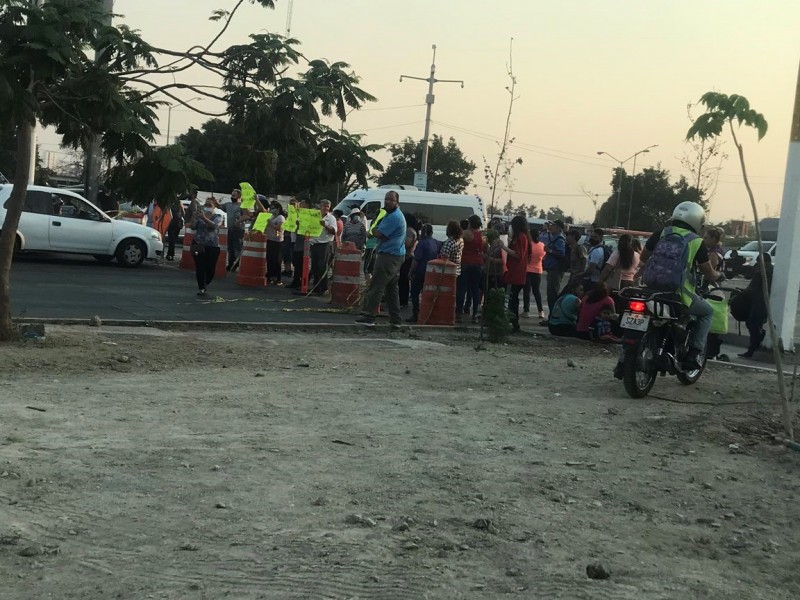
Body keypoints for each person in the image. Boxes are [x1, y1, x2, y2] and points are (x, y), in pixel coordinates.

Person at [632, 201, 721, 371]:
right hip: (678, 295)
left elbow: (644, 258)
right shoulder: (696, 242)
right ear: (697, 221)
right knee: (707, 312)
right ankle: (694, 354)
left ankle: (624, 358)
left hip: (650, 289)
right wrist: (718, 275)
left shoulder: (660, 234)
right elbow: (708, 272)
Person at [356, 190, 407, 329]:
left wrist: (373, 230)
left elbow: (379, 233)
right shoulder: (393, 215)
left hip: (389, 256)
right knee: (391, 289)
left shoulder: (394, 217)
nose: (388, 202)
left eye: (391, 199)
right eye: (386, 199)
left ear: (397, 202)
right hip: (396, 255)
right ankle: (395, 320)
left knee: (376, 286)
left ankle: (369, 316)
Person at [498, 215, 531, 332]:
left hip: (515, 273)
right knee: (512, 298)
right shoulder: (522, 237)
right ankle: (512, 321)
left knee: (512, 298)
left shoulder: (521, 237)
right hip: (515, 272)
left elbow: (518, 254)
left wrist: (504, 247)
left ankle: (513, 322)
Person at [739, 253, 773, 358]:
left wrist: (743, 292)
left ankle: (753, 347)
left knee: (752, 324)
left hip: (760, 302)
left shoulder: (762, 271)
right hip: (762, 301)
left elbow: (751, 284)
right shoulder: (769, 269)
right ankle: (754, 345)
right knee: (754, 324)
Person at [188, 197, 223, 296]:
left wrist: (203, 218)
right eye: (206, 205)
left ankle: (205, 282)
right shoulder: (199, 215)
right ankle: (201, 287)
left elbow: (214, 226)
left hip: (212, 246)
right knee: (199, 267)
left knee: (210, 269)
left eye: (209, 205)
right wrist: (194, 217)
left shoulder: (218, 216)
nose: (207, 207)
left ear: (214, 206)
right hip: (198, 244)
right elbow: (193, 226)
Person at [407, 223, 439, 323]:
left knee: (414, 293)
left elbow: (416, 260)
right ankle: (426, 314)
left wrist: (410, 271)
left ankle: (415, 314)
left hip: (420, 271)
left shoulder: (422, 243)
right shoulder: (435, 242)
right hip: (431, 272)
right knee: (427, 294)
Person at [458, 215, 485, 323]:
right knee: (475, 290)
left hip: (466, 262)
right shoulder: (482, 236)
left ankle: (458, 313)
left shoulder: (467, 233)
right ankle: (474, 314)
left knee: (462, 288)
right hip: (478, 264)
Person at [309, 199, 338, 295]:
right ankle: (316, 287)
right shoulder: (314, 216)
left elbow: (334, 231)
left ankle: (324, 288)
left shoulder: (331, 218)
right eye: (323, 206)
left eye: (327, 206)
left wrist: (325, 225)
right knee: (314, 267)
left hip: (325, 243)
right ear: (320, 206)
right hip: (314, 243)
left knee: (322, 266)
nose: (325, 208)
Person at [439, 220, 465, 320]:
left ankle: (445, 313)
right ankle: (456, 311)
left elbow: (443, 259)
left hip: (448, 271)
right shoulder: (461, 240)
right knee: (455, 293)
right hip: (457, 269)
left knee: (446, 294)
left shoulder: (449, 243)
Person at [541, 219, 567, 314]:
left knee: (552, 294)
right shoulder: (554, 238)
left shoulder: (560, 239)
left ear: (558, 228)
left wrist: (549, 250)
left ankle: (553, 316)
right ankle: (552, 316)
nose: (550, 227)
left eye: (553, 225)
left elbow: (561, 253)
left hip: (555, 270)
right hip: (551, 269)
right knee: (550, 294)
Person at [522, 227, 545, 320]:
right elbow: (543, 256)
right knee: (537, 291)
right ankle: (541, 311)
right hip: (538, 270)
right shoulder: (542, 245)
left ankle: (526, 311)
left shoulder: (528, 245)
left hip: (527, 270)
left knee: (526, 291)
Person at [398, 214, 419, 308]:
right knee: (403, 279)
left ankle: (403, 300)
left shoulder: (409, 231)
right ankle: (403, 300)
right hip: (408, 256)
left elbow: (407, 243)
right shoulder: (412, 231)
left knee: (403, 279)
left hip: (407, 257)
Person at [224, 189, 245, 271]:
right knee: (230, 248)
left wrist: (239, 221)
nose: (232, 197)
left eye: (234, 195)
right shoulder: (228, 205)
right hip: (230, 229)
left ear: (239, 197)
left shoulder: (242, 206)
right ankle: (230, 263)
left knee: (237, 248)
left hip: (238, 230)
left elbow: (247, 215)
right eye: (232, 195)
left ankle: (237, 264)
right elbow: (219, 206)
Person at [266, 201, 286, 285]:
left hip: (278, 241)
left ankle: (278, 278)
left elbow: (279, 229)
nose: (271, 210)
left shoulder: (281, 217)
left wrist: (271, 224)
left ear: (278, 209)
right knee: (269, 259)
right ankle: (270, 276)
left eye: (273, 208)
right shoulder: (271, 216)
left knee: (277, 260)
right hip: (270, 239)